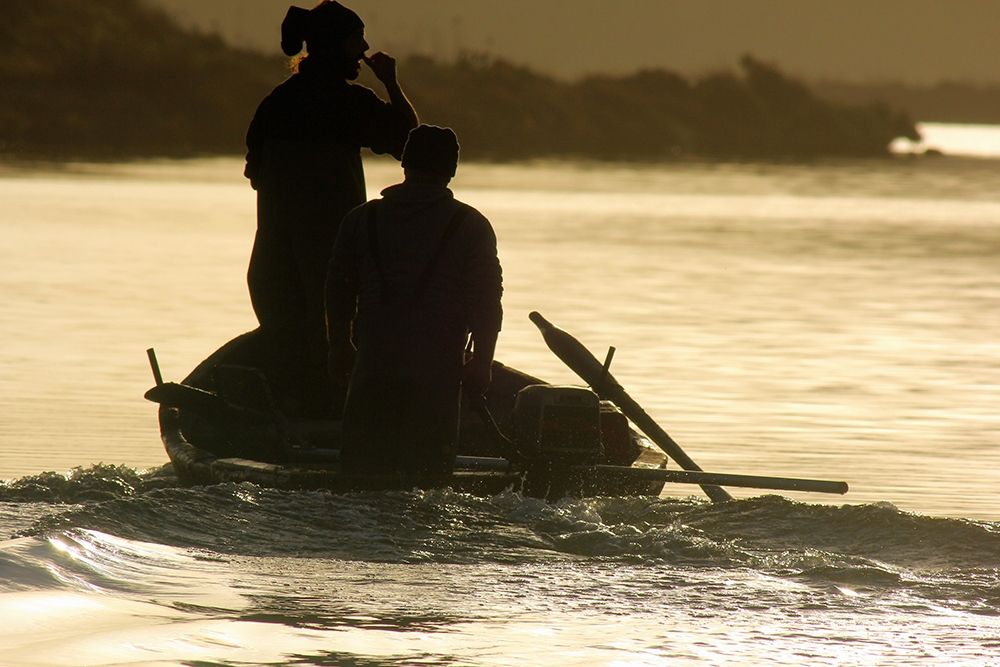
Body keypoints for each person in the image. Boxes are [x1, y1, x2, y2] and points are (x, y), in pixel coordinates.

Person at [243, 1, 417, 416]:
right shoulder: (348, 102)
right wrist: (392, 83)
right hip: (332, 274)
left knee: (292, 359)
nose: (364, 47)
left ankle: (294, 419)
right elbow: (410, 143)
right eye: (357, 38)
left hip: (273, 271)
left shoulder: (276, 104)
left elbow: (256, 174)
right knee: (334, 360)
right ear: (335, 45)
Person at [326, 125, 503, 482]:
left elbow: (338, 289)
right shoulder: (472, 225)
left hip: (373, 363)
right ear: (451, 170)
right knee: (427, 483)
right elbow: (487, 300)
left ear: (404, 164)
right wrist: (482, 361)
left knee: (360, 476)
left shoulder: (360, 218)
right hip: (436, 371)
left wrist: (339, 346)